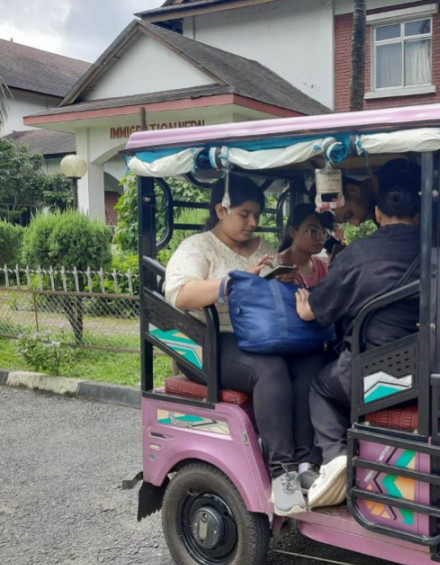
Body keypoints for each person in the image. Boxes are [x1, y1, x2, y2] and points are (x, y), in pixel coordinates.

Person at [164, 174, 324, 516]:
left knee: (312, 363)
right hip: (212, 342)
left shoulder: (264, 248)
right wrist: (233, 282)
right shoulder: (197, 247)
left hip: (263, 336)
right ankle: (283, 474)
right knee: (270, 371)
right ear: (221, 210)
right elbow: (180, 294)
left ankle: (307, 461)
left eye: (257, 215)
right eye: (245, 215)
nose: (253, 223)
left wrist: (282, 277)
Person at [295, 170, 425, 509]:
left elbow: (314, 312)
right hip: (428, 367)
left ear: (379, 214)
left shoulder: (359, 254)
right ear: (418, 213)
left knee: (319, 386)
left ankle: (334, 457)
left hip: (375, 376)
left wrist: (303, 303)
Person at [277, 203, 332, 288]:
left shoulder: (323, 266)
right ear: (293, 232)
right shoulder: (276, 266)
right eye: (313, 231)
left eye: (324, 232)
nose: (321, 238)